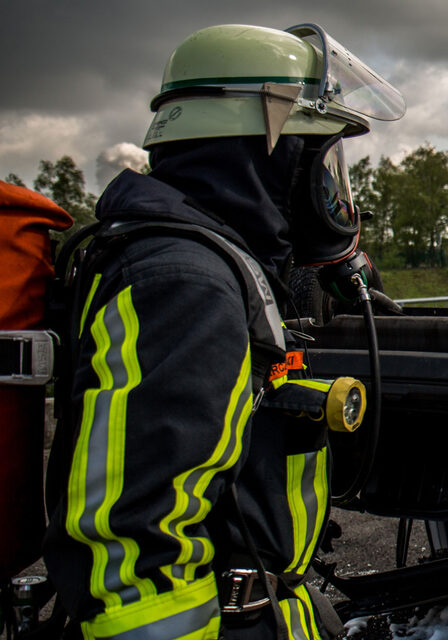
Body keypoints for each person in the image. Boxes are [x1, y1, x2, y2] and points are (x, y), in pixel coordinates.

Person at [43, 24, 404, 639]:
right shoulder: (187, 282)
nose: (330, 190)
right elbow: (135, 552)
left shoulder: (202, 263)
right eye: (319, 160)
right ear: (263, 154)